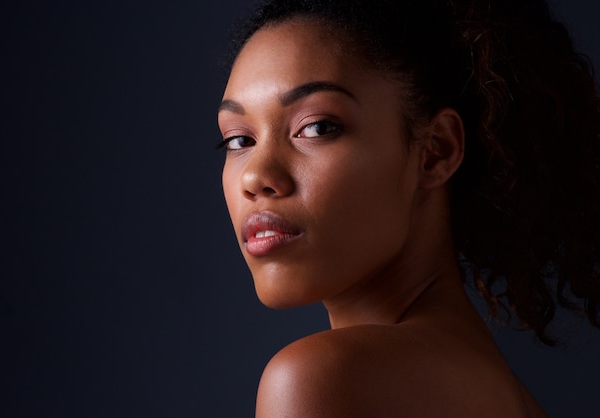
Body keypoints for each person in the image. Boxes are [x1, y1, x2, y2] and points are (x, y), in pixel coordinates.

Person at [216, 0, 600, 416]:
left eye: (317, 127)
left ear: (436, 151)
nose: (255, 177)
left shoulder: (319, 380)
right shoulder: (508, 395)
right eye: (239, 140)